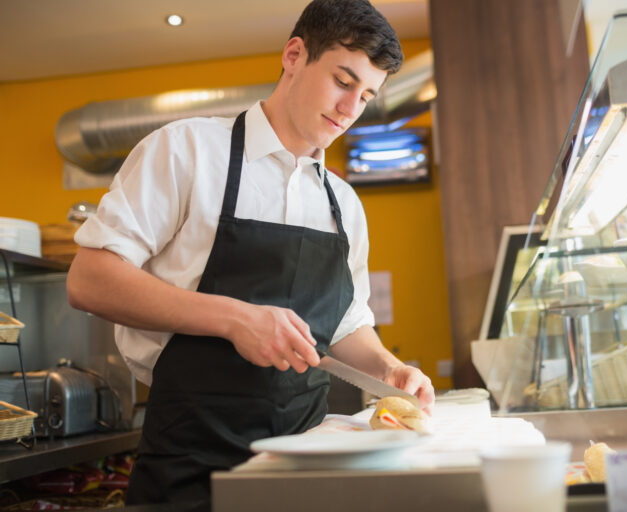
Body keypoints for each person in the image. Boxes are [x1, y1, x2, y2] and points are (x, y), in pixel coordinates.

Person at [66, 0, 435, 509]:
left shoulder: (344, 204)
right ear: (294, 54)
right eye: (343, 81)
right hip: (192, 465)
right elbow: (89, 280)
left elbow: (347, 322)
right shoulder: (186, 151)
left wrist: (386, 369)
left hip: (307, 464)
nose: (351, 110)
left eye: (367, 95)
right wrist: (235, 318)